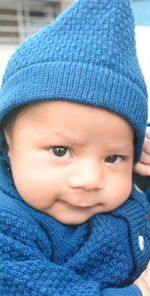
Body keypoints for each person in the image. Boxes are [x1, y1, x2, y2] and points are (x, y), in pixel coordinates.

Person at [0, 0, 150, 295]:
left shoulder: (132, 187)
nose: (90, 180)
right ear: (8, 141)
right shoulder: (9, 225)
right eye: (60, 151)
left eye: (113, 157)